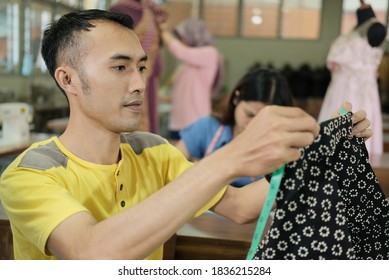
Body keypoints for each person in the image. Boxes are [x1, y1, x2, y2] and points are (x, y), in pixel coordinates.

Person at [0, 9, 371, 260]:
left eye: (141, 67)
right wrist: (234, 156)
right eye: (119, 67)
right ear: (67, 79)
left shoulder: (154, 152)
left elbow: (239, 207)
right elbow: (93, 254)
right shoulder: (31, 175)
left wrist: (320, 147)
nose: (139, 83)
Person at [176, 66, 294, 187]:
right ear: (236, 99)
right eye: (249, 114)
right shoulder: (207, 127)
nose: (254, 124)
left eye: (263, 119)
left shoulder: (284, 150)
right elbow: (172, 165)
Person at [318, 0, 386, 156]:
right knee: (334, 123)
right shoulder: (353, 31)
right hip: (338, 91)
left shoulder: (375, 29)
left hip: (358, 91)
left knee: (355, 124)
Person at [159, 18, 224, 143]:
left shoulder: (210, 53)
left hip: (195, 121)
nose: (182, 41)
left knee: (192, 161)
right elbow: (184, 92)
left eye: (183, 37)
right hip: (178, 122)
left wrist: (163, 31)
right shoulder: (186, 64)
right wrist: (162, 98)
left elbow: (180, 51)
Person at [109, 0, 167, 133]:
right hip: (124, 75)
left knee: (147, 118)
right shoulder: (120, 9)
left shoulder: (149, 10)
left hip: (148, 73)